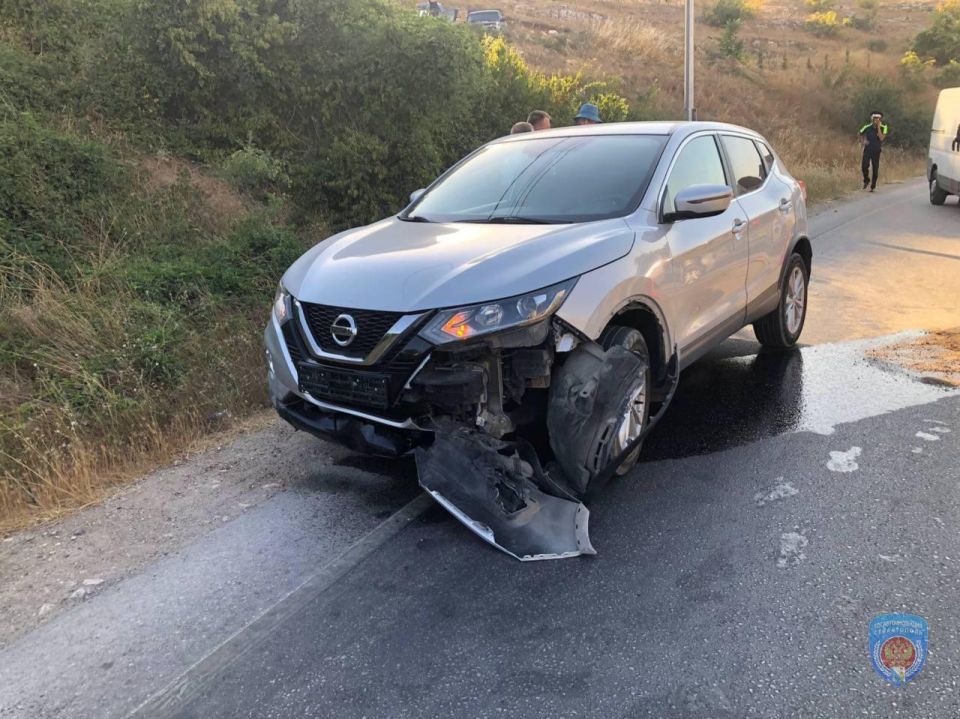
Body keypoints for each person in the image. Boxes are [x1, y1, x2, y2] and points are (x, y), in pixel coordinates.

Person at [858, 110, 888, 192]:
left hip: (876, 150)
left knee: (875, 168)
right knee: (864, 166)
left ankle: (873, 185)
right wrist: (863, 141)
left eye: (878, 119)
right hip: (867, 149)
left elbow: (881, 138)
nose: (877, 120)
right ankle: (866, 180)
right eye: (875, 118)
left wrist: (878, 127)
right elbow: (860, 133)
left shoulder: (884, 127)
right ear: (872, 119)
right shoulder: (867, 127)